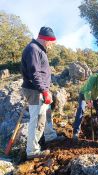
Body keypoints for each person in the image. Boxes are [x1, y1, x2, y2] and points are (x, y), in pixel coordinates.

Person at [21, 26, 56, 159]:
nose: (52, 45)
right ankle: (32, 151)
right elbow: (34, 73)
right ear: (46, 39)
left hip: (40, 89)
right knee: (37, 120)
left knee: (46, 114)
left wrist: (47, 90)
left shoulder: (38, 49)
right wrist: (44, 91)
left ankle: (50, 136)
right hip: (35, 91)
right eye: (51, 42)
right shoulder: (33, 49)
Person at [73, 72, 98, 141]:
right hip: (84, 95)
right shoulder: (93, 78)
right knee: (80, 110)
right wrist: (88, 101)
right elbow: (87, 90)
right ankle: (76, 132)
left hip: (95, 97)